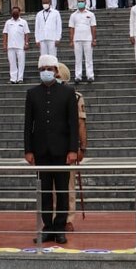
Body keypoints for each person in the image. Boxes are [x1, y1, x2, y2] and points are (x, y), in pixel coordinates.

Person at [24, 54, 79, 244]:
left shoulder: (68, 92)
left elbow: (73, 123)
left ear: (56, 71)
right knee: (45, 191)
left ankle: (60, 227)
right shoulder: (32, 93)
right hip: (41, 151)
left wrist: (73, 149)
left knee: (62, 191)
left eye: (49, 68)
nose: (46, 72)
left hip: (62, 151)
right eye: (42, 69)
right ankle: (47, 227)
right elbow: (27, 124)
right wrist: (28, 150)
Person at [57, 63, 87, 231]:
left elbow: (81, 123)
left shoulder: (75, 97)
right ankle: (54, 216)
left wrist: (82, 147)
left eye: (58, 77)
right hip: (52, 146)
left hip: (68, 146)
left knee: (68, 185)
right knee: (51, 186)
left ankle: (68, 218)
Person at [68, 0, 97, 84]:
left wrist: (94, 39)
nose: (80, 3)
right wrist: (71, 40)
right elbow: (71, 28)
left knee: (89, 58)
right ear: (77, 3)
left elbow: (93, 27)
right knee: (78, 59)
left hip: (88, 39)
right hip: (77, 39)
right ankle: (78, 76)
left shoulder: (90, 14)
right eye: (79, 2)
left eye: (82, 1)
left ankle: (90, 76)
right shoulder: (73, 15)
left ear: (85, 3)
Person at [2, 6, 30, 84]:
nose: (15, 13)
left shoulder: (23, 22)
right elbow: (5, 33)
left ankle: (20, 78)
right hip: (10, 46)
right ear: (11, 13)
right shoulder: (8, 22)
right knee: (12, 63)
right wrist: (4, 44)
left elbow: (27, 33)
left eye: (16, 12)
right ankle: (13, 79)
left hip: (20, 46)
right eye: (13, 12)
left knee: (21, 62)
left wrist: (26, 43)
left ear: (19, 12)